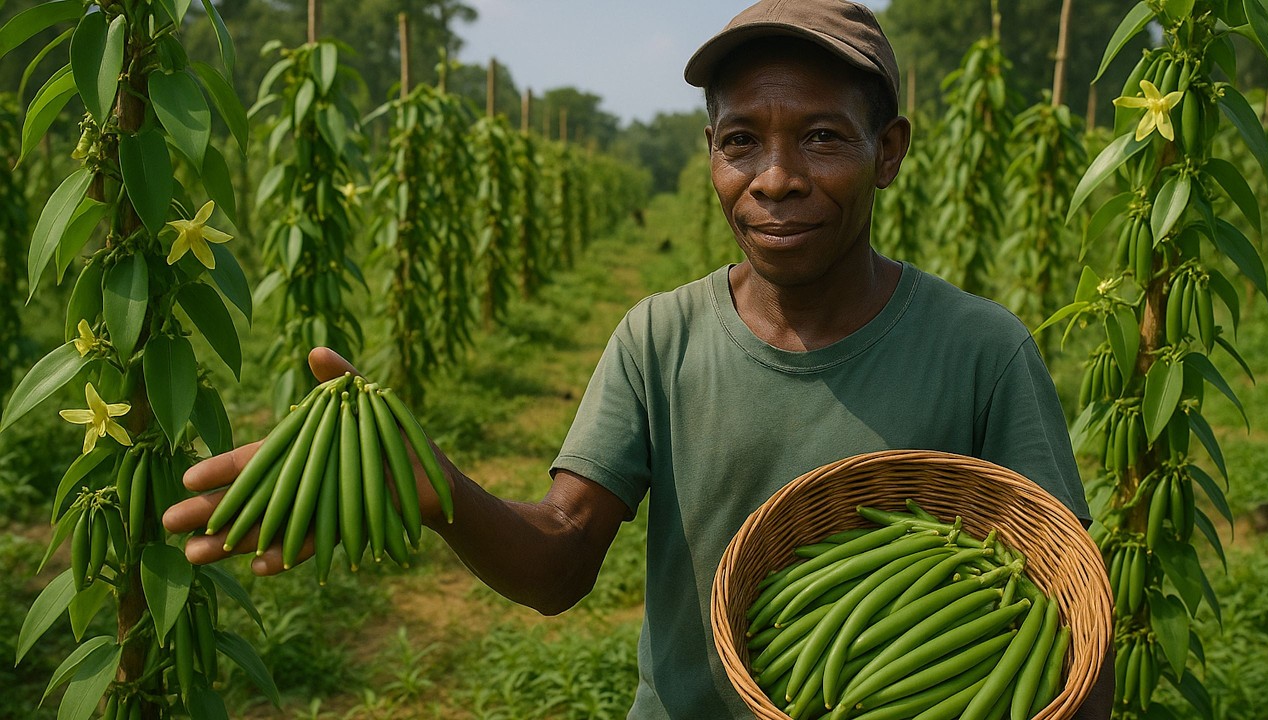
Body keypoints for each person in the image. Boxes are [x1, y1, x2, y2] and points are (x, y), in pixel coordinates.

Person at [165, 0, 1113, 717]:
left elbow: (1067, 617)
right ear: (709, 154)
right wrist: (438, 491)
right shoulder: (659, 338)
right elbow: (561, 562)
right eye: (742, 142)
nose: (776, 178)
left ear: (890, 149)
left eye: (824, 137)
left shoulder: (982, 349)